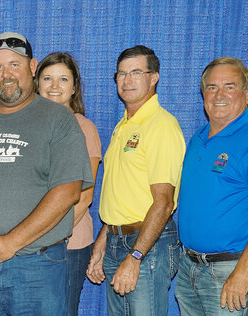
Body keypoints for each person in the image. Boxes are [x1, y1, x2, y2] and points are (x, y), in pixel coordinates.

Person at [0, 32, 92, 315]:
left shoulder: (58, 119)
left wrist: (12, 242)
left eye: (14, 64)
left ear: (32, 67)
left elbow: (68, 192)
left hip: (36, 268)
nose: (6, 74)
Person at [175, 57, 248, 315]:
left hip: (230, 271)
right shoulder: (198, 139)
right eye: (212, 87)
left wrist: (243, 272)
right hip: (189, 267)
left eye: (230, 86)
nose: (219, 94)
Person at [86, 45, 185, 316]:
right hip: (117, 241)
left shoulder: (160, 126)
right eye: (121, 73)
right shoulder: (124, 126)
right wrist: (101, 243)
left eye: (136, 72)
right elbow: (122, 196)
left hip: (147, 245)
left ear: (154, 78)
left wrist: (136, 257)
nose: (127, 80)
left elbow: (163, 204)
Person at [35, 52, 101, 316]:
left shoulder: (84, 128)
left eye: (63, 79)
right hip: (32, 244)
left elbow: (84, 197)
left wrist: (45, 236)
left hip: (67, 244)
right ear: (36, 83)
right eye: (47, 78)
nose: (54, 86)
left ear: (74, 87)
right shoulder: (27, 128)